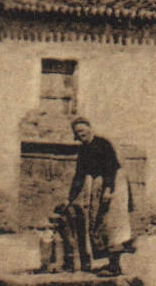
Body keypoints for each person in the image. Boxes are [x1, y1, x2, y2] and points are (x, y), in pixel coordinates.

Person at [53, 117, 133, 276]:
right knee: (99, 222)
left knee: (112, 223)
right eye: (77, 132)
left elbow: (111, 167)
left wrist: (109, 190)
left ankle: (115, 267)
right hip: (102, 185)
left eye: (83, 130)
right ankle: (110, 264)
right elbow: (79, 176)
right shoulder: (83, 150)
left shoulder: (103, 144)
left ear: (90, 129)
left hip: (115, 184)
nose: (81, 134)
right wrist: (69, 198)